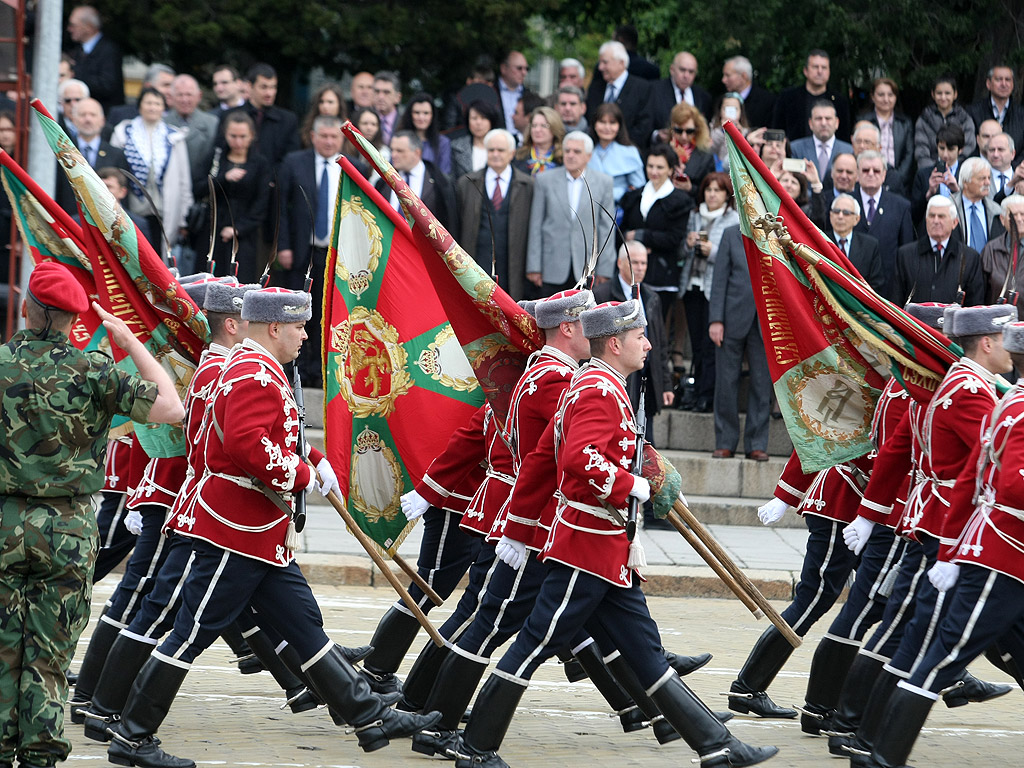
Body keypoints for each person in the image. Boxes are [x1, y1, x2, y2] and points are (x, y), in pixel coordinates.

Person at [102, 286, 441, 768]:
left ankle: (367, 715)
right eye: (300, 327)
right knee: (190, 633)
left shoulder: (246, 367)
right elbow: (247, 446)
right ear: (275, 328)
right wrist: (303, 473)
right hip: (232, 527)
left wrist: (309, 458)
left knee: (303, 624)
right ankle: (133, 736)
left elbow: (267, 436)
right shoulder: (254, 373)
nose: (305, 336)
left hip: (255, 530)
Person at [452, 298, 779, 768]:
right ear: (614, 343)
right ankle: (475, 747)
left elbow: (545, 458)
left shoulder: (596, 384)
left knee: (647, 654)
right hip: (584, 546)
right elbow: (576, 458)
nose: (647, 344)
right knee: (534, 645)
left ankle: (717, 747)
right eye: (640, 337)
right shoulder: (599, 390)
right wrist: (634, 485)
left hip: (606, 548)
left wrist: (521, 528)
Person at [0, 261, 183, 768]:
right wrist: (129, 340)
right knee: (51, 655)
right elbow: (172, 407)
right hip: (69, 530)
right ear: (72, 320)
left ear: (27, 308)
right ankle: (39, 756)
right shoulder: (96, 370)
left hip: (4, 524)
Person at [835, 304, 1015, 764]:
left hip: (942, 523)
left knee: (917, 636)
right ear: (988, 343)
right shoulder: (972, 391)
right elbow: (987, 474)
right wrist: (872, 515)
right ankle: (863, 736)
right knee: (921, 640)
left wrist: (871, 514)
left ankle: (860, 733)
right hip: (958, 529)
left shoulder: (959, 386)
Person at [277, 114, 344, 385]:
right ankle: (297, 370)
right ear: (313, 136)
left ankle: (322, 372)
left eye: (334, 137)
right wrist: (283, 246)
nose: (328, 141)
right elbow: (281, 207)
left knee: (328, 315)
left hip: (337, 256)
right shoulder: (294, 163)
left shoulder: (354, 167)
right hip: (303, 251)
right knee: (298, 312)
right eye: (324, 136)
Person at [709, 225, 772, 460]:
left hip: (766, 322)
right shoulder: (730, 234)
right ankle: (725, 440)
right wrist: (716, 319)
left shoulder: (774, 232)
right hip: (731, 318)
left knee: (762, 383)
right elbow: (719, 279)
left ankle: (757, 443)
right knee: (726, 381)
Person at [525, 132, 614, 297]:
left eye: (577, 151)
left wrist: (605, 269)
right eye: (567, 151)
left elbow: (607, 228)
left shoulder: (604, 182)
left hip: (587, 268)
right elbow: (535, 225)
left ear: (588, 156)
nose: (571, 155)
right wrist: (534, 266)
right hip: (552, 267)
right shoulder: (544, 180)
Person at [678, 172, 739, 412]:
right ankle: (696, 393)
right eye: (708, 189)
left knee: (709, 344)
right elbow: (682, 253)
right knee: (696, 343)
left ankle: (707, 394)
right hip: (693, 285)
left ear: (726, 194)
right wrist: (688, 244)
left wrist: (712, 250)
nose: (712, 194)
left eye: (718, 190)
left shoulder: (733, 219)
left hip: (715, 288)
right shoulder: (694, 215)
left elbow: (730, 256)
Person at [595, 242, 675, 416]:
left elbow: (660, 343)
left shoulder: (652, 297)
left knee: (647, 437)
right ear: (619, 263)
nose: (639, 268)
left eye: (643, 263)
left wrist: (666, 384)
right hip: (615, 377)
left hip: (647, 378)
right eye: (634, 263)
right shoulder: (601, 295)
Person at [110, 86, 193, 255]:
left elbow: (184, 180)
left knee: (158, 254)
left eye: (157, 103)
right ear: (140, 105)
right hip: (132, 206)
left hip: (164, 209)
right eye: (148, 103)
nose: (152, 107)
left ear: (164, 108)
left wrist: (184, 216)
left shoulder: (174, 137)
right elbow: (113, 171)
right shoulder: (123, 132)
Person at [455, 128, 533, 300]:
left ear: (512, 153)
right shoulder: (466, 183)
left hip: (513, 265)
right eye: (491, 150)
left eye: (501, 150)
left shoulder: (528, 185)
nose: (495, 154)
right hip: (475, 262)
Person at [619, 143, 693, 308]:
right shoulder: (634, 196)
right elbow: (622, 230)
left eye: (660, 167)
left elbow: (675, 238)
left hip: (662, 273)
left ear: (670, 170)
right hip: (631, 273)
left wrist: (641, 236)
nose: (654, 171)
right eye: (650, 166)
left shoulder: (680, 200)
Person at [208, 112, 271, 281]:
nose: (238, 142)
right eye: (233, 136)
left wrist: (238, 229)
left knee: (241, 285)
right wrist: (224, 178)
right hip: (213, 234)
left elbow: (262, 204)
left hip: (245, 238)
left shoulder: (260, 163)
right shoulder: (216, 158)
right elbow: (199, 188)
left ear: (252, 135)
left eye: (243, 136)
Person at [892, 195, 984, 305]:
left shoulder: (970, 258)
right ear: (926, 221)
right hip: (913, 322)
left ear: (954, 223)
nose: (936, 221)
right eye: (932, 216)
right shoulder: (905, 255)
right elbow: (896, 301)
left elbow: (974, 306)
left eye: (941, 216)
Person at [54, 97, 130, 216]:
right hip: (70, 220)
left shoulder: (117, 154)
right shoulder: (63, 152)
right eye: (82, 115)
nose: (88, 119)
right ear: (73, 120)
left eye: (93, 115)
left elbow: (123, 194)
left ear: (102, 120)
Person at [853, 150, 915, 291]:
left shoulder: (901, 206)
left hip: (889, 288)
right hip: (851, 288)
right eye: (865, 170)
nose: (870, 174)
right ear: (857, 173)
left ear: (884, 174)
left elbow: (906, 252)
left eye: (876, 170)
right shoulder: (845, 203)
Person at [376, 130, 457, 232]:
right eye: (392, 150)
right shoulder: (383, 182)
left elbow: (450, 222)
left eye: (400, 151)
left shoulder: (440, 182)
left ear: (417, 153)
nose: (393, 155)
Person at [771, 49, 850, 141]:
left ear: (829, 71)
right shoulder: (788, 98)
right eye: (815, 67)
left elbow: (844, 135)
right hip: (794, 153)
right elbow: (777, 130)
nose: (820, 71)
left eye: (824, 67)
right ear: (805, 71)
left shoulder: (839, 102)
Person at [585, 40, 651, 149]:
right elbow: (590, 120)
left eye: (605, 62)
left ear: (621, 63)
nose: (600, 67)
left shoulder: (642, 88)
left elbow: (644, 127)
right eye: (600, 63)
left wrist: (617, 149)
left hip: (627, 152)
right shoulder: (595, 87)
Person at [165, 75, 219, 197]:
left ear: (199, 96)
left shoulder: (212, 123)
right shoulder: (162, 124)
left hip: (202, 191)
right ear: (171, 97)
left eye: (189, 95)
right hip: (170, 192)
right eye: (180, 95)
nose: (185, 100)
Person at [65, 5, 124, 112]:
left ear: (88, 27)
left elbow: (107, 85)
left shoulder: (109, 50)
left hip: (103, 114)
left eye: (73, 25)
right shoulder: (77, 51)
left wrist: (74, 78)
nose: (69, 29)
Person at [861, 77, 914, 194]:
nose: (886, 99)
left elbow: (909, 154)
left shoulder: (905, 123)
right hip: (871, 177)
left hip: (900, 182)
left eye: (890, 95)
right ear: (873, 97)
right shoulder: (864, 121)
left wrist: (897, 178)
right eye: (881, 95)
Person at [587, 102, 644, 208]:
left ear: (619, 126)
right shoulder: (585, 149)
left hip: (618, 209)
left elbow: (638, 188)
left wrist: (619, 193)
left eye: (612, 123)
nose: (607, 127)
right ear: (594, 124)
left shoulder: (630, 152)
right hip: (587, 208)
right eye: (602, 122)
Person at [789, 100, 855, 193]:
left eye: (828, 118)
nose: (823, 123)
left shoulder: (849, 151)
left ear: (836, 123)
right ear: (810, 123)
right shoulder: (796, 148)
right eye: (819, 119)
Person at [648, 51, 714, 141]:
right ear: (672, 69)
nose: (686, 75)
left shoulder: (703, 97)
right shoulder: (654, 90)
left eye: (691, 72)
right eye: (682, 70)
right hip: (664, 149)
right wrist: (656, 135)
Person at [827, 193, 884, 292]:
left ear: (857, 219)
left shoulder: (870, 246)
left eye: (846, 213)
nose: (840, 216)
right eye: (836, 211)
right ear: (830, 215)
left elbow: (876, 284)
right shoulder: (821, 241)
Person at [966, 64, 1024, 161]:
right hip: (979, 170)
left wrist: (1011, 169)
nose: (1004, 84)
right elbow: (969, 145)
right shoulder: (973, 112)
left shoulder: (1021, 114)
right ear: (988, 84)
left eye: (1008, 80)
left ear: (1013, 84)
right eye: (999, 79)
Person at [915, 75, 977, 163]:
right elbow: (921, 150)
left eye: (947, 93)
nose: (943, 97)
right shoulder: (924, 119)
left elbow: (968, 147)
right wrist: (935, 170)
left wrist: (954, 168)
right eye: (939, 93)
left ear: (955, 94)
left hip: (958, 170)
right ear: (933, 94)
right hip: (931, 171)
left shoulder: (965, 119)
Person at [980, 193, 1024, 307]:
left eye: (1022, 214)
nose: (1019, 219)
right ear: (1002, 219)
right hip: (995, 322)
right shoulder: (991, 250)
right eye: (1013, 215)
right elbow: (981, 294)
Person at [952, 156, 1005, 251]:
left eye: (989, 178)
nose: (988, 182)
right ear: (965, 182)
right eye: (982, 179)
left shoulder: (996, 211)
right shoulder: (949, 208)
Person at [396, 92, 451, 175]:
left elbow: (445, 174)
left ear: (432, 115)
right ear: (410, 115)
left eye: (426, 113)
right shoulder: (399, 139)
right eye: (417, 113)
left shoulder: (443, 143)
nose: (421, 117)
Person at [666, 102, 715, 194]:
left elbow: (711, 190)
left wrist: (690, 188)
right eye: (679, 131)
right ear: (672, 128)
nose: (684, 136)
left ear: (697, 130)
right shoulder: (663, 150)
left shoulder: (705, 155)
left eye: (689, 131)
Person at [450, 99, 500, 180]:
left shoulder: (503, 146)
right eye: (474, 118)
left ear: (491, 121)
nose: (478, 122)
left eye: (483, 118)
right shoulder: (456, 147)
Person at [721, 55, 775, 129]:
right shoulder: (722, 100)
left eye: (728, 75)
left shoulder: (767, 101)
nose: (723, 80)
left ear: (743, 76)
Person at [513, 106, 565, 176]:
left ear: (554, 128)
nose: (537, 130)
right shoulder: (518, 155)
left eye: (544, 126)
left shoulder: (563, 157)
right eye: (534, 125)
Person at [493, 51, 536, 136]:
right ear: (504, 68)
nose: (524, 73)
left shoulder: (529, 95)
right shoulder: (491, 91)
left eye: (526, 69)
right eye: (519, 68)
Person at [299, 82, 348, 148]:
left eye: (330, 102)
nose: (325, 106)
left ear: (339, 105)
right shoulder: (307, 131)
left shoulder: (349, 131)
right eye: (321, 102)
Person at [985, 132, 1017, 203]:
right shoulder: (978, 177)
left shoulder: (1020, 177)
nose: (995, 154)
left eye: (1000, 149)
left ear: (1012, 154)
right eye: (992, 150)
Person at [372, 70, 402, 145]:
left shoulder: (405, 122)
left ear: (398, 97)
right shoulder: (362, 119)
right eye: (377, 91)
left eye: (386, 92)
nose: (380, 97)